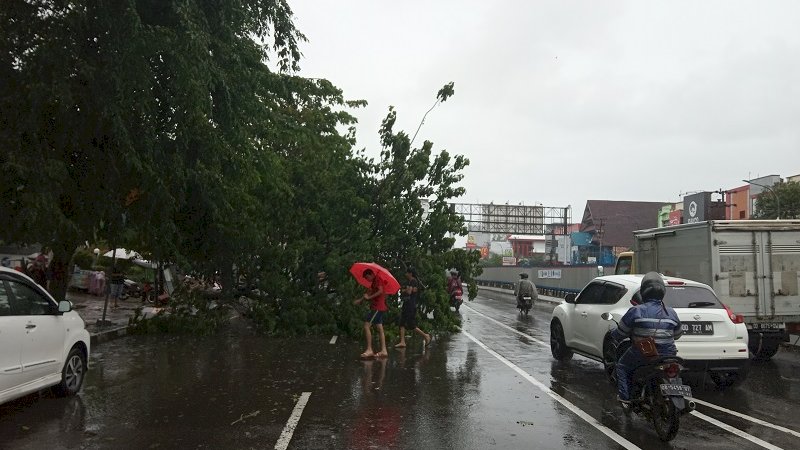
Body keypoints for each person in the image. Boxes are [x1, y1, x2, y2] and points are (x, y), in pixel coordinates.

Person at [611, 272, 682, 405]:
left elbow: (621, 332)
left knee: (622, 366)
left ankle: (625, 398)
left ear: (644, 292)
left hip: (644, 353)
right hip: (668, 354)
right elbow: (677, 335)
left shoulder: (636, 311)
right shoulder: (671, 312)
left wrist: (613, 333)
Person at [354, 269, 389, 359]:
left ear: (371, 274)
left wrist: (369, 298)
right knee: (379, 328)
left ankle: (369, 349)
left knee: (366, 326)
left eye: (367, 277)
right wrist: (360, 300)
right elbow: (368, 293)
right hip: (378, 307)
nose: (367, 279)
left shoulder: (378, 280)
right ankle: (384, 350)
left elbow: (380, 291)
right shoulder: (374, 282)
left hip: (377, 307)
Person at [395, 268, 431, 348]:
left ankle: (425, 336)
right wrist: (405, 289)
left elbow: (409, 292)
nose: (405, 274)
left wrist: (403, 290)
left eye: (407, 273)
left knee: (411, 324)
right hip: (406, 304)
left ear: (410, 273)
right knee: (402, 322)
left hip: (410, 305)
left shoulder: (413, 281)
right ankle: (402, 341)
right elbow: (410, 290)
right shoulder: (410, 281)